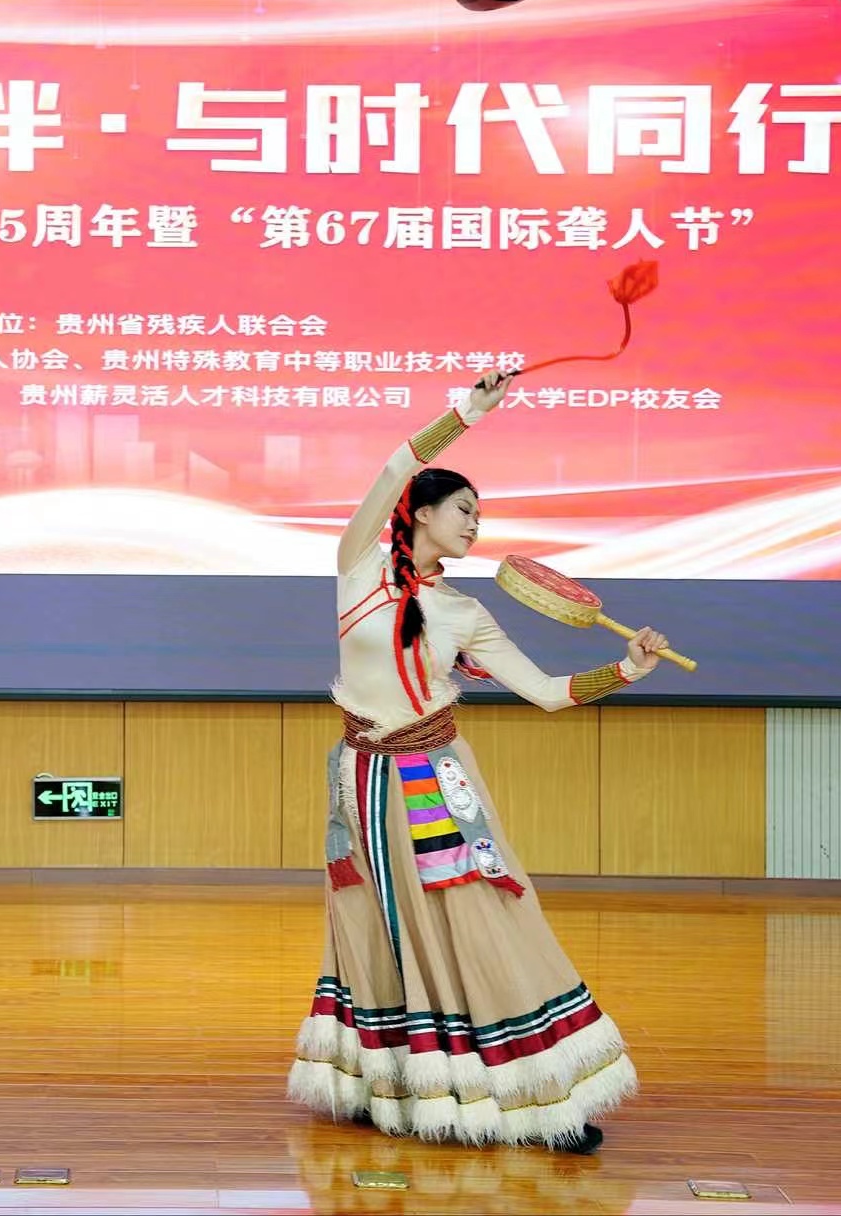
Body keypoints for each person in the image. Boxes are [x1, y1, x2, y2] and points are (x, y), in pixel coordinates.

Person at [286, 369, 670, 1155]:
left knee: (477, 916)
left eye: (480, 515)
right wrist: (466, 413)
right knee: (373, 923)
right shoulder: (358, 569)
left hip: (432, 781)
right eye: (464, 509)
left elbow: (548, 693)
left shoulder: (465, 613)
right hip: (359, 783)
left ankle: (534, 1097)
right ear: (422, 513)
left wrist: (626, 671)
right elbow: (393, 467)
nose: (474, 524)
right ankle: (389, 1086)